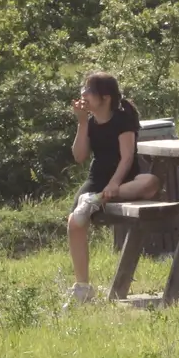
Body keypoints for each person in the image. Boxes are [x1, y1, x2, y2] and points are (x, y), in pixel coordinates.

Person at [66, 71, 161, 302]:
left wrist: (114, 184)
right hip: (97, 179)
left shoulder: (122, 118)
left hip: (125, 178)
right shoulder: (89, 122)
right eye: (83, 90)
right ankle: (82, 288)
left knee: (151, 182)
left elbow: (127, 157)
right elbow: (79, 157)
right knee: (75, 222)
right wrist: (80, 123)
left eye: (89, 90)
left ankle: (99, 199)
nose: (83, 94)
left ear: (105, 97)